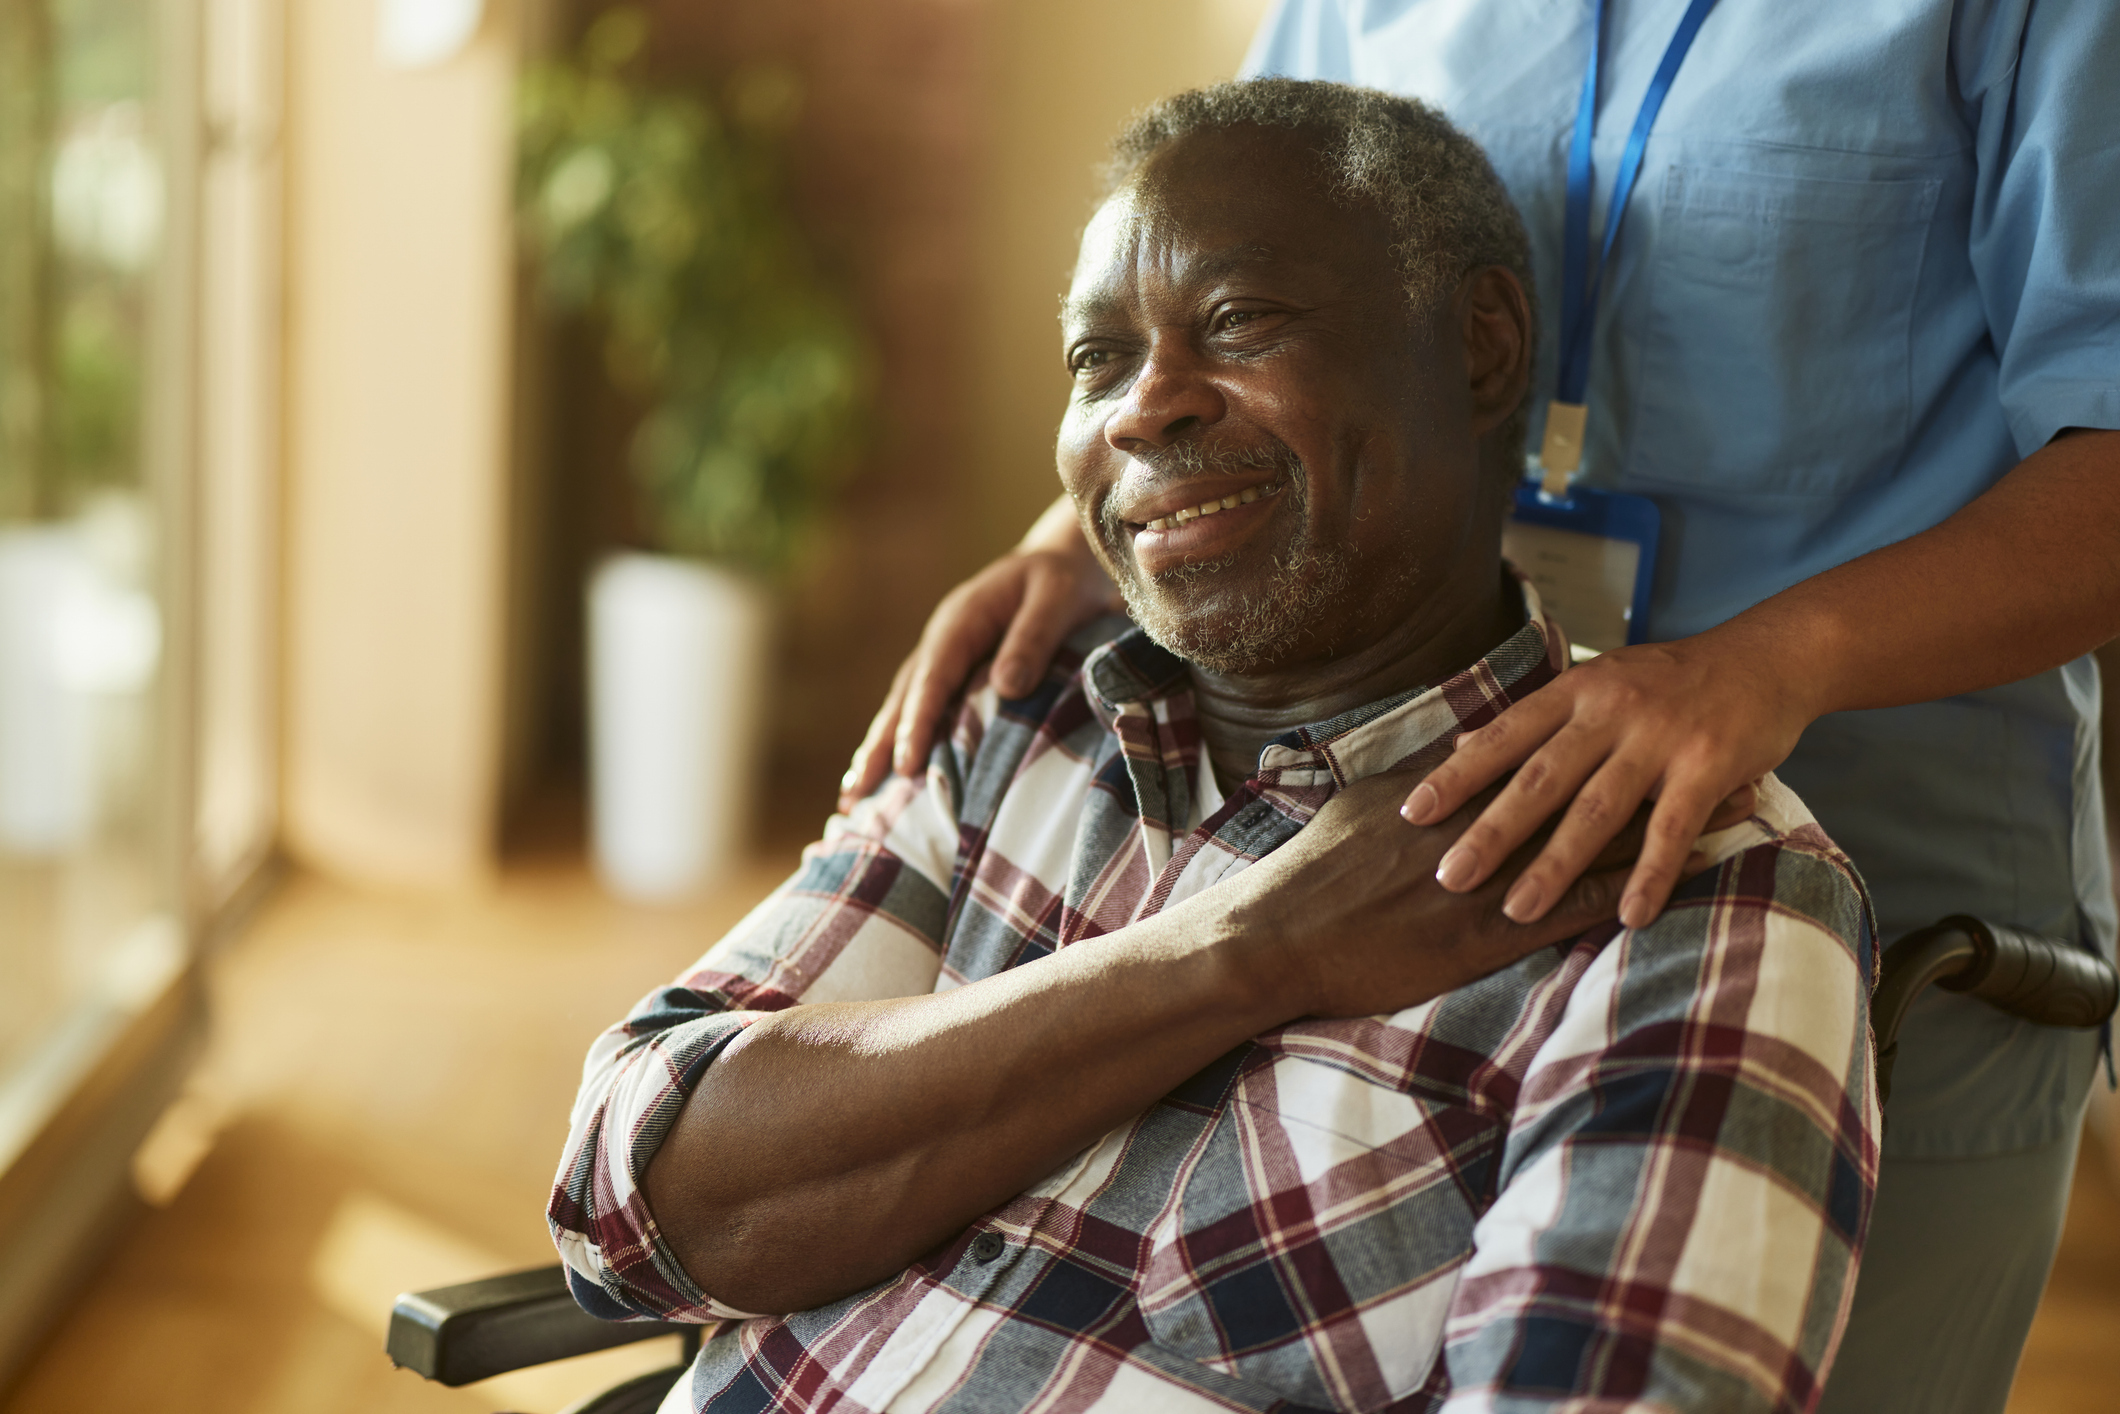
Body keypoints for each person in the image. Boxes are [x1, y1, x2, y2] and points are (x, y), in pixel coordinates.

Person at [841, 5, 2120, 1410]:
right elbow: (1231, 257)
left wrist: (1770, 661)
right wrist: (1066, 539)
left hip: (1875, 904)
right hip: (1408, 846)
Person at [554, 82, 1879, 1414]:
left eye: (1238, 321)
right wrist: (1253, 949)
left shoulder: (1691, 881)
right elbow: (636, 1191)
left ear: (1479, 349)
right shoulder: (1022, 713)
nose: (1141, 410)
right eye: (1096, 361)